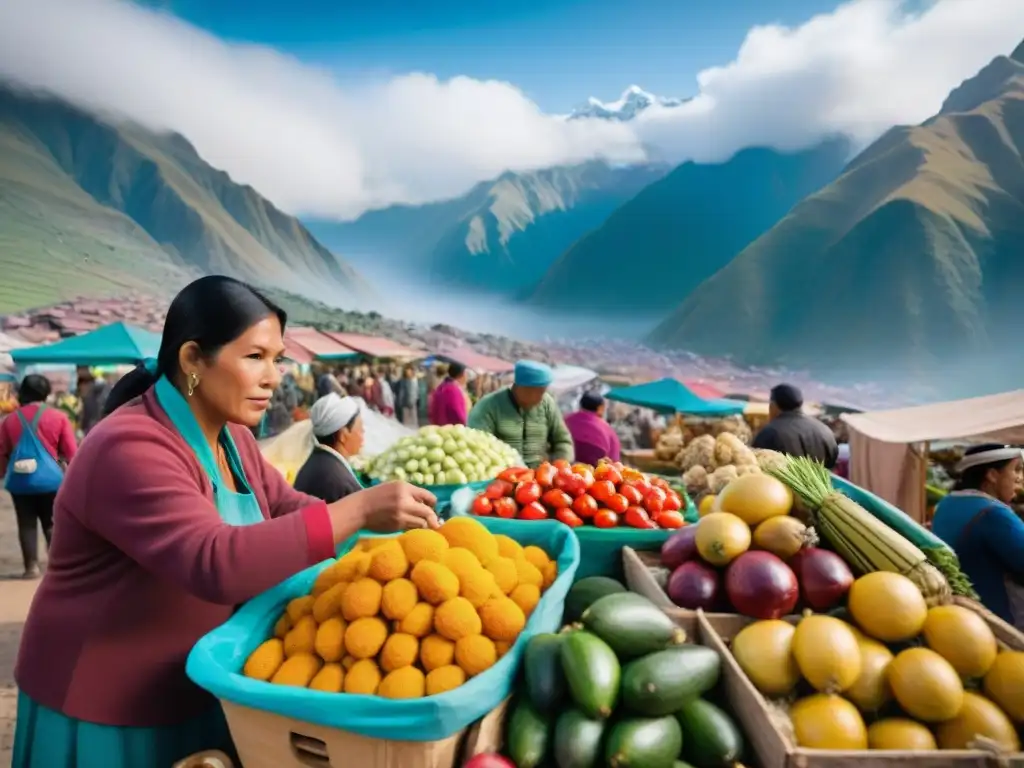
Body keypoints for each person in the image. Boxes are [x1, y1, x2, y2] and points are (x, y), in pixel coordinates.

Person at [13, 275, 439, 768]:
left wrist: (383, 534)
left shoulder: (231, 438)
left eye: (278, 359)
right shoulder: (129, 446)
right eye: (255, 357)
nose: (275, 376)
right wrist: (360, 510)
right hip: (108, 705)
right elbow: (213, 560)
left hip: (200, 680)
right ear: (193, 359)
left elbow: (287, 507)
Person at [931, 444, 1024, 628]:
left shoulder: (947, 504)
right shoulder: (992, 514)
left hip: (963, 619)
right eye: (1016, 470)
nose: (1019, 478)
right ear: (992, 475)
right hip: (1000, 624)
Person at [0, 374, 78, 579]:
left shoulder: (9, 420)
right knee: (51, 522)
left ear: (22, 393)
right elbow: (71, 452)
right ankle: (56, 568)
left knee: (25, 523)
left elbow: (2, 452)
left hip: (20, 480)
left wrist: (2, 474)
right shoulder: (58, 417)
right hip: (51, 480)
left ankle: (30, 568)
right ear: (46, 393)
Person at [468, 360, 573, 468]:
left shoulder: (547, 404)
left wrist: (559, 468)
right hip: (502, 477)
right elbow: (478, 447)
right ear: (521, 387)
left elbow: (563, 441)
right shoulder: (488, 406)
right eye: (539, 391)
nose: (542, 397)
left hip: (540, 478)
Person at [293, 393, 365, 503]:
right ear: (343, 435)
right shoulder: (340, 483)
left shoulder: (317, 461)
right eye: (360, 428)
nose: (363, 432)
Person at [752, 383, 838, 468]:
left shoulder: (769, 434)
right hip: (822, 481)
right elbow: (832, 463)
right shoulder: (825, 430)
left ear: (773, 406)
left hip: (781, 482)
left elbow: (755, 468)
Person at [564, 391, 621, 466]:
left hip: (563, 469)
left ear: (581, 405)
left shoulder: (565, 420)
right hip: (594, 475)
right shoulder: (609, 431)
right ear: (601, 408)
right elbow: (615, 463)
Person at [429, 362, 469, 427]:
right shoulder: (453, 390)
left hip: (438, 428)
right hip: (450, 430)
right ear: (463, 374)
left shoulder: (441, 387)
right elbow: (458, 415)